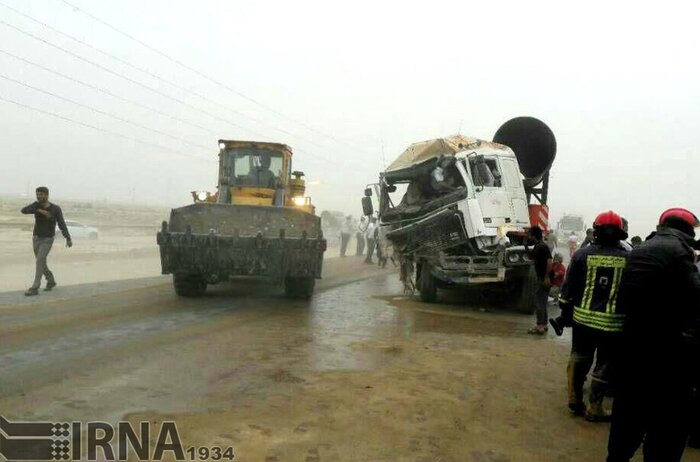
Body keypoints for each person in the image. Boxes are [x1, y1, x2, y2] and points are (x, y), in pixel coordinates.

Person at [607, 208, 700, 462]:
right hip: (670, 356)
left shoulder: (639, 250)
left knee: (623, 431)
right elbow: (693, 302)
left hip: (632, 350)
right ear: (689, 231)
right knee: (666, 437)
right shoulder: (681, 254)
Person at [553, 211, 630, 421]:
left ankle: (575, 399)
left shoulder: (580, 255)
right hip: (613, 325)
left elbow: (567, 292)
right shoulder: (629, 259)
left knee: (579, 358)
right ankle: (595, 408)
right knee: (604, 365)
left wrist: (565, 314)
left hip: (583, 322)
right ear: (621, 234)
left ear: (595, 230)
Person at [21, 186, 72, 296]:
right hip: (36, 238)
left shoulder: (55, 209)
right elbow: (23, 210)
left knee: (39, 260)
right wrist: (39, 210)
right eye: (37, 194)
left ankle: (35, 287)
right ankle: (51, 280)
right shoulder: (36, 205)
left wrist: (67, 237)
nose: (38, 196)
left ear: (46, 195)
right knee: (41, 262)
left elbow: (61, 223)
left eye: (41, 194)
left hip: (47, 239)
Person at [527, 226, 553, 335]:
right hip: (543, 278)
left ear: (533, 236)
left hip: (543, 279)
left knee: (539, 303)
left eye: (529, 234)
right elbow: (531, 257)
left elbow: (549, 262)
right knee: (543, 302)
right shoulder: (539, 246)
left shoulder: (542, 246)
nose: (528, 236)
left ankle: (540, 326)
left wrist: (546, 277)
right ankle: (544, 325)